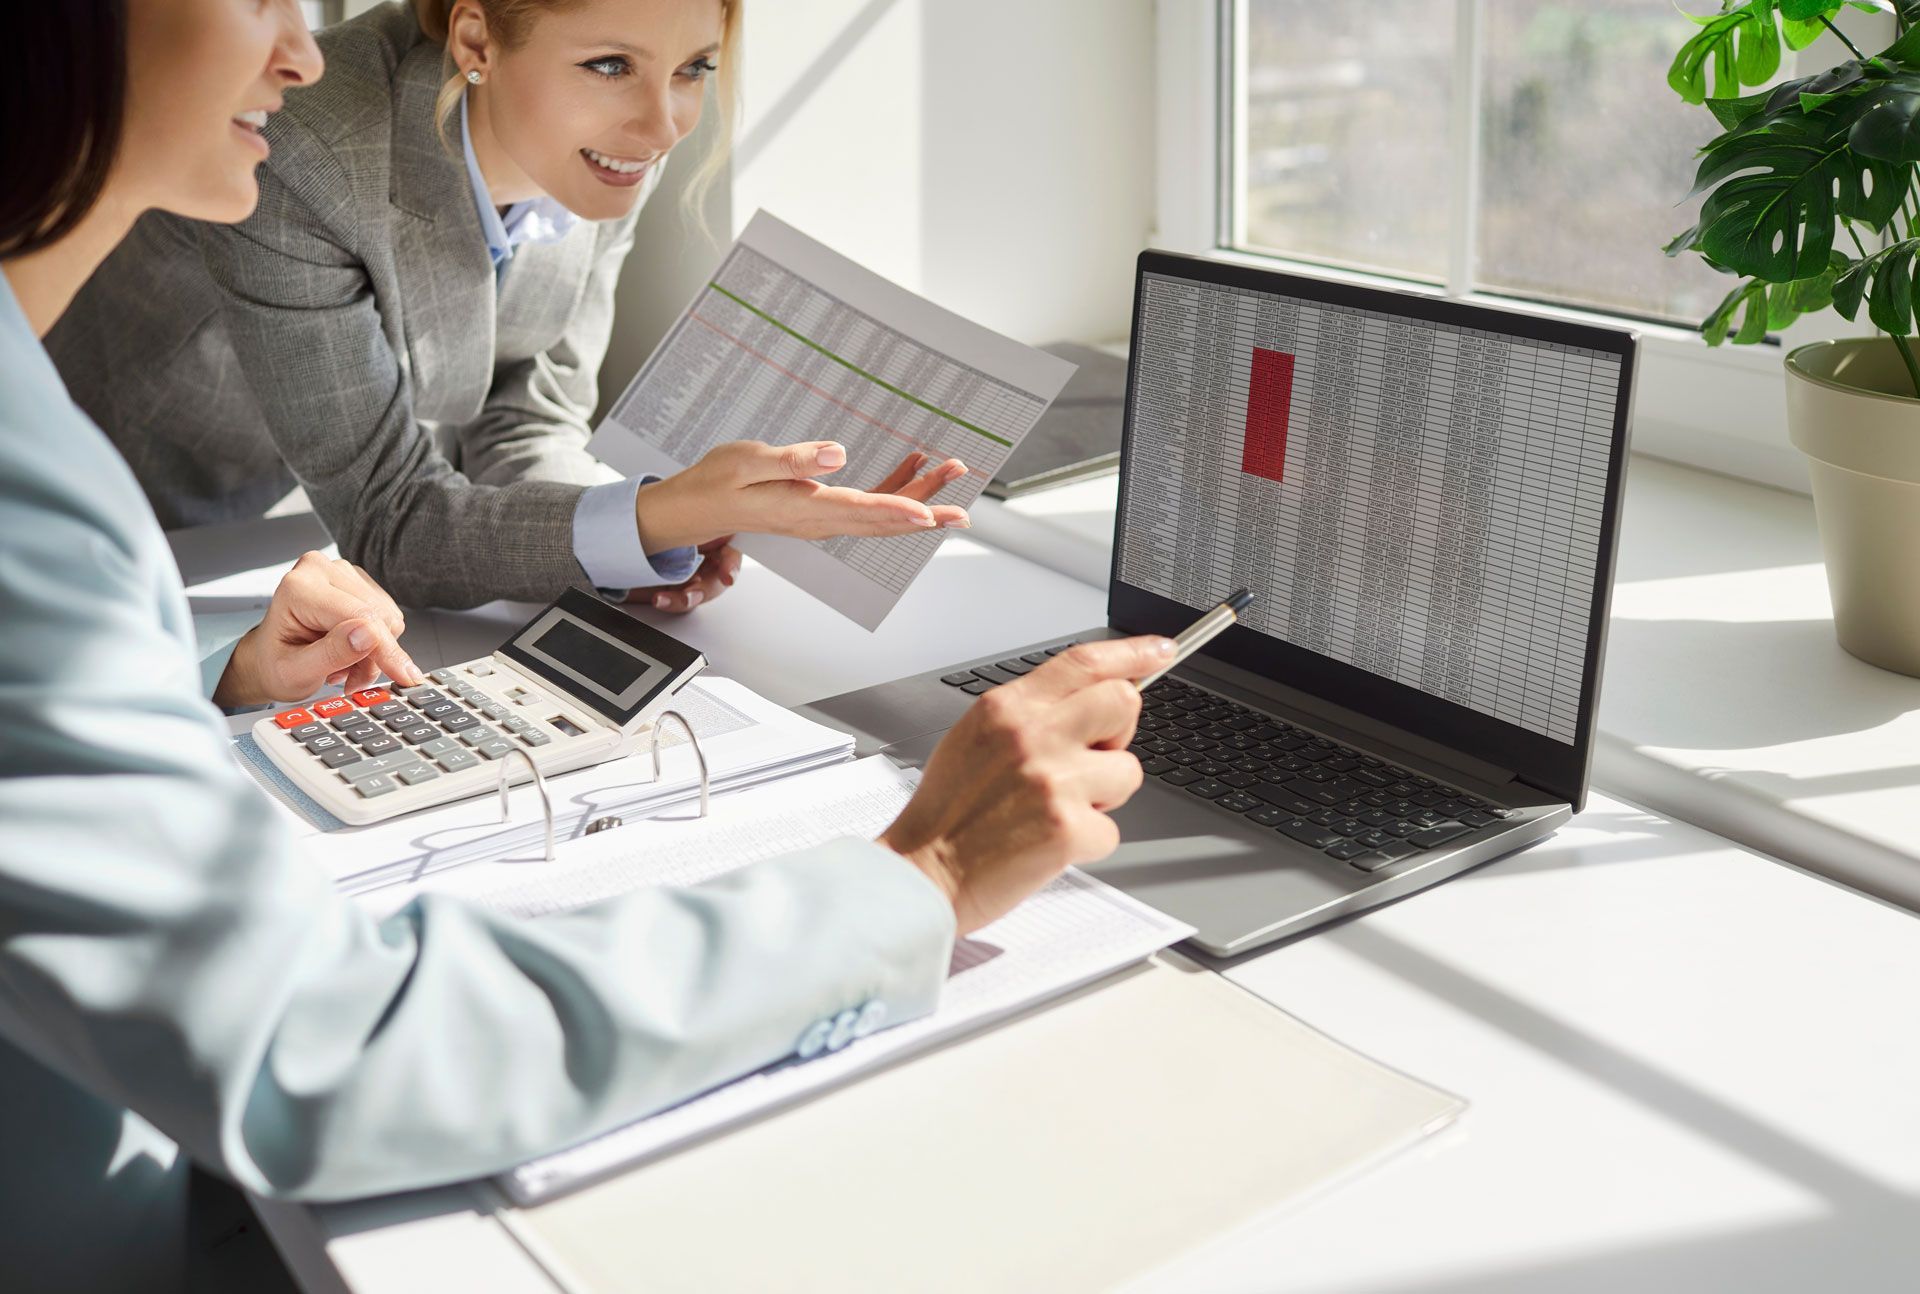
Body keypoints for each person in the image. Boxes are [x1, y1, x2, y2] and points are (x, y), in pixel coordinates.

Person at [0, 1, 1166, 1288]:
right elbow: (318, 1044)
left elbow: (529, 407)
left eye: (695, 72)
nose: (304, 47)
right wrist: (927, 875)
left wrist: (212, 668)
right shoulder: (45, 481)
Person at [48, 0, 970, 614]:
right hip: (124, 494)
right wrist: (649, 520)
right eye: (610, 65)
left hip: (283, 509)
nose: (662, 126)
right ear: (477, 42)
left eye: (692, 67)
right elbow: (389, 522)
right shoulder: (310, 148)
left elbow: (526, 409)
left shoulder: (610, 141)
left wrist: (641, 533)